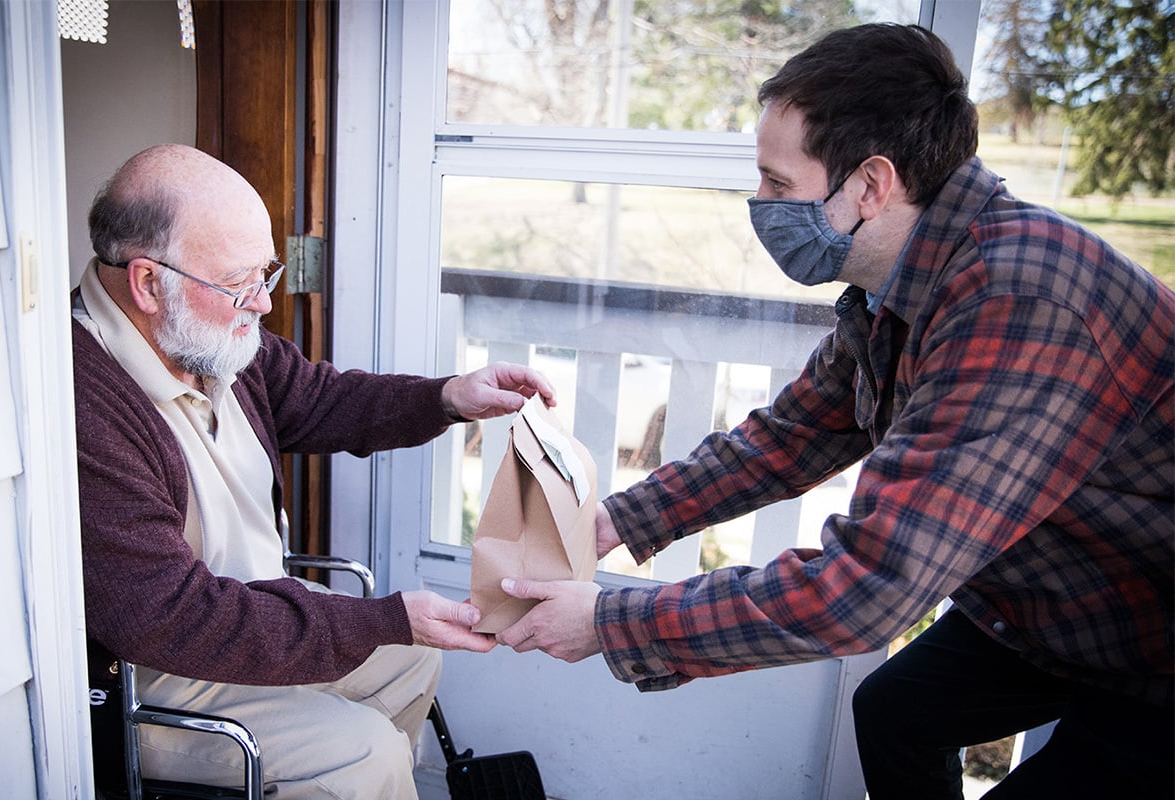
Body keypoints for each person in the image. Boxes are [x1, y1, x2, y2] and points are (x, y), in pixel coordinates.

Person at [494, 23, 1174, 799]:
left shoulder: (1017, 300)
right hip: (1056, 601)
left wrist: (612, 624)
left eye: (779, 185)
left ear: (870, 185)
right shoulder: (904, 283)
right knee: (896, 712)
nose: (761, 205)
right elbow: (789, 438)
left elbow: (867, 588)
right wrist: (612, 521)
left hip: (1155, 643)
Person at [73, 143, 532, 798]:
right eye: (240, 284)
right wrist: (381, 618)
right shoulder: (82, 399)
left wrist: (449, 396)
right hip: (154, 674)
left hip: (253, 619)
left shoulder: (205, 335)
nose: (262, 303)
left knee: (409, 658)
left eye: (267, 274)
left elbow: (323, 400)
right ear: (148, 283)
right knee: (363, 754)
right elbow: (170, 617)